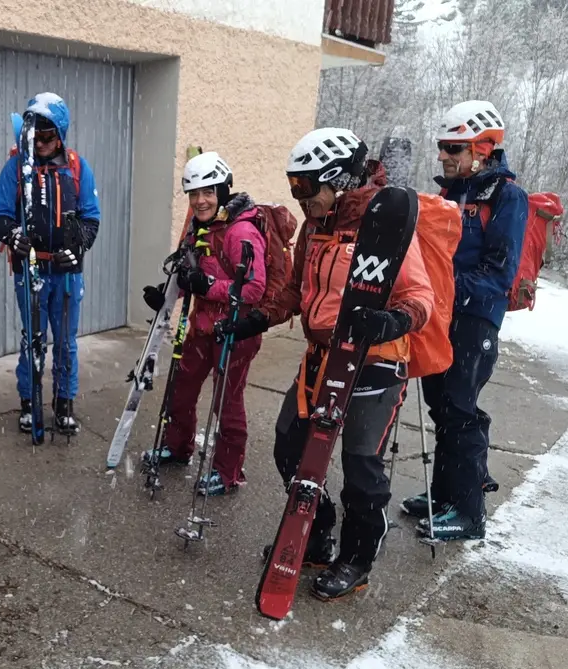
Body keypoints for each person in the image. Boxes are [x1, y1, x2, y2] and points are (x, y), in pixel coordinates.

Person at [229, 128, 433, 600]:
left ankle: (357, 558)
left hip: (375, 360)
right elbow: (295, 292)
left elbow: (421, 296)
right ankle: (315, 533)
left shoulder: (385, 227)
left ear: (339, 179)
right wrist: (255, 319)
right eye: (293, 186)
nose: (299, 198)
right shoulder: (316, 229)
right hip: (322, 356)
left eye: (306, 186)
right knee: (289, 445)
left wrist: (391, 321)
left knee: (360, 465)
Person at [400, 100, 528, 541]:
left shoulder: (509, 198)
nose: (443, 156)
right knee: (441, 407)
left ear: (484, 148)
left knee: (461, 410)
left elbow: (499, 273)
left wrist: (445, 286)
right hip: (441, 316)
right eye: (441, 146)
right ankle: (444, 494)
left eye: (453, 147)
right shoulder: (450, 194)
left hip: (475, 320)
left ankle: (470, 513)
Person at [142, 151, 267, 496]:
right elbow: (189, 273)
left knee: (227, 402)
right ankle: (178, 447)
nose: (200, 201)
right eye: (194, 194)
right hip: (200, 326)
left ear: (224, 190)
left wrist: (209, 287)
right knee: (180, 389)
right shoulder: (199, 228)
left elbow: (254, 287)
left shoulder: (241, 231)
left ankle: (228, 472)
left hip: (235, 330)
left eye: (208, 192)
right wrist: (168, 294)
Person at [0, 93, 101, 435]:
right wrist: (13, 236)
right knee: (33, 339)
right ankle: (29, 402)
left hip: (67, 273)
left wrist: (78, 246)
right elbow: (1, 214)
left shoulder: (78, 167)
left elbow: (91, 218)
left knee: (66, 341)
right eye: (34, 136)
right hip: (31, 270)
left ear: (61, 134)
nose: (40, 143)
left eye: (48, 136)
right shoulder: (16, 167)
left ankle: (64, 403)